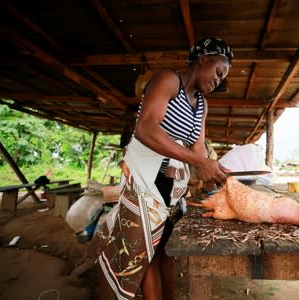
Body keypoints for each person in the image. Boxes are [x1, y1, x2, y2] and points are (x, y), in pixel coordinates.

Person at [90, 37, 233, 299]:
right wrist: (200, 162)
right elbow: (145, 128)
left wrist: (214, 173)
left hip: (171, 188)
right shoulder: (169, 80)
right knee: (147, 256)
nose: (218, 81)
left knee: (167, 252)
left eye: (222, 78)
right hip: (143, 181)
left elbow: (198, 149)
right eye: (218, 72)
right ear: (203, 59)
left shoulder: (202, 104)